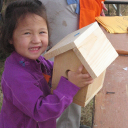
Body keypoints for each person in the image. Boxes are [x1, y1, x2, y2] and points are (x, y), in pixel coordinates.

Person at [0, 0, 93, 128]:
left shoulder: (37, 60)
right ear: (10, 37)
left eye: (42, 32)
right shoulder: (15, 76)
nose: (36, 40)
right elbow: (40, 111)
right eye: (27, 33)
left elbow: (52, 71)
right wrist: (70, 86)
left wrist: (70, 71)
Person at [41, 1, 107, 128]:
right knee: (65, 66)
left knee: (73, 68)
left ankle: (66, 123)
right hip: (63, 4)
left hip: (81, 4)